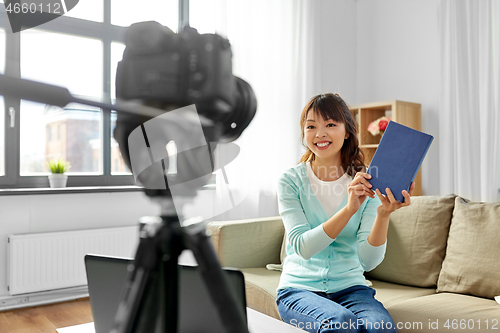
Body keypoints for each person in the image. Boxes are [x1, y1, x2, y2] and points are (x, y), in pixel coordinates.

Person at [276, 93, 415, 333]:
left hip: (351, 288)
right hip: (299, 288)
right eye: (311, 126)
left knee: (380, 328)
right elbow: (302, 247)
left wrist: (383, 215)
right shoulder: (291, 181)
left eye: (330, 124)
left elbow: (368, 261)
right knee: (341, 323)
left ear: (347, 131)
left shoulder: (367, 182)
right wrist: (349, 209)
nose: (320, 133)